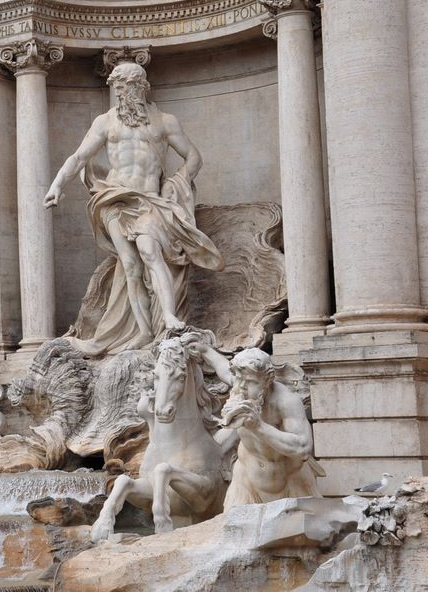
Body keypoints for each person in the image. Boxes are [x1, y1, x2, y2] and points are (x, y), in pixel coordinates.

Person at [45, 62, 223, 357]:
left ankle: (168, 317)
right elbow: (78, 158)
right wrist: (56, 186)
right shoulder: (105, 122)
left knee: (150, 250)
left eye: (124, 87)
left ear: (140, 86)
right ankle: (143, 331)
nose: (119, 93)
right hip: (115, 199)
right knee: (129, 264)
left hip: (149, 200)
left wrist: (177, 181)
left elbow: (194, 157)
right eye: (116, 87)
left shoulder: (165, 121)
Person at [184, 339, 322, 507]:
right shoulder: (241, 385)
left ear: (267, 380)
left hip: (290, 482)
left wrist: (258, 427)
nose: (241, 387)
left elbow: (303, 447)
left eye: (250, 382)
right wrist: (205, 350)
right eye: (238, 379)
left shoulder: (286, 401)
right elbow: (223, 368)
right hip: (246, 480)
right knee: (233, 530)